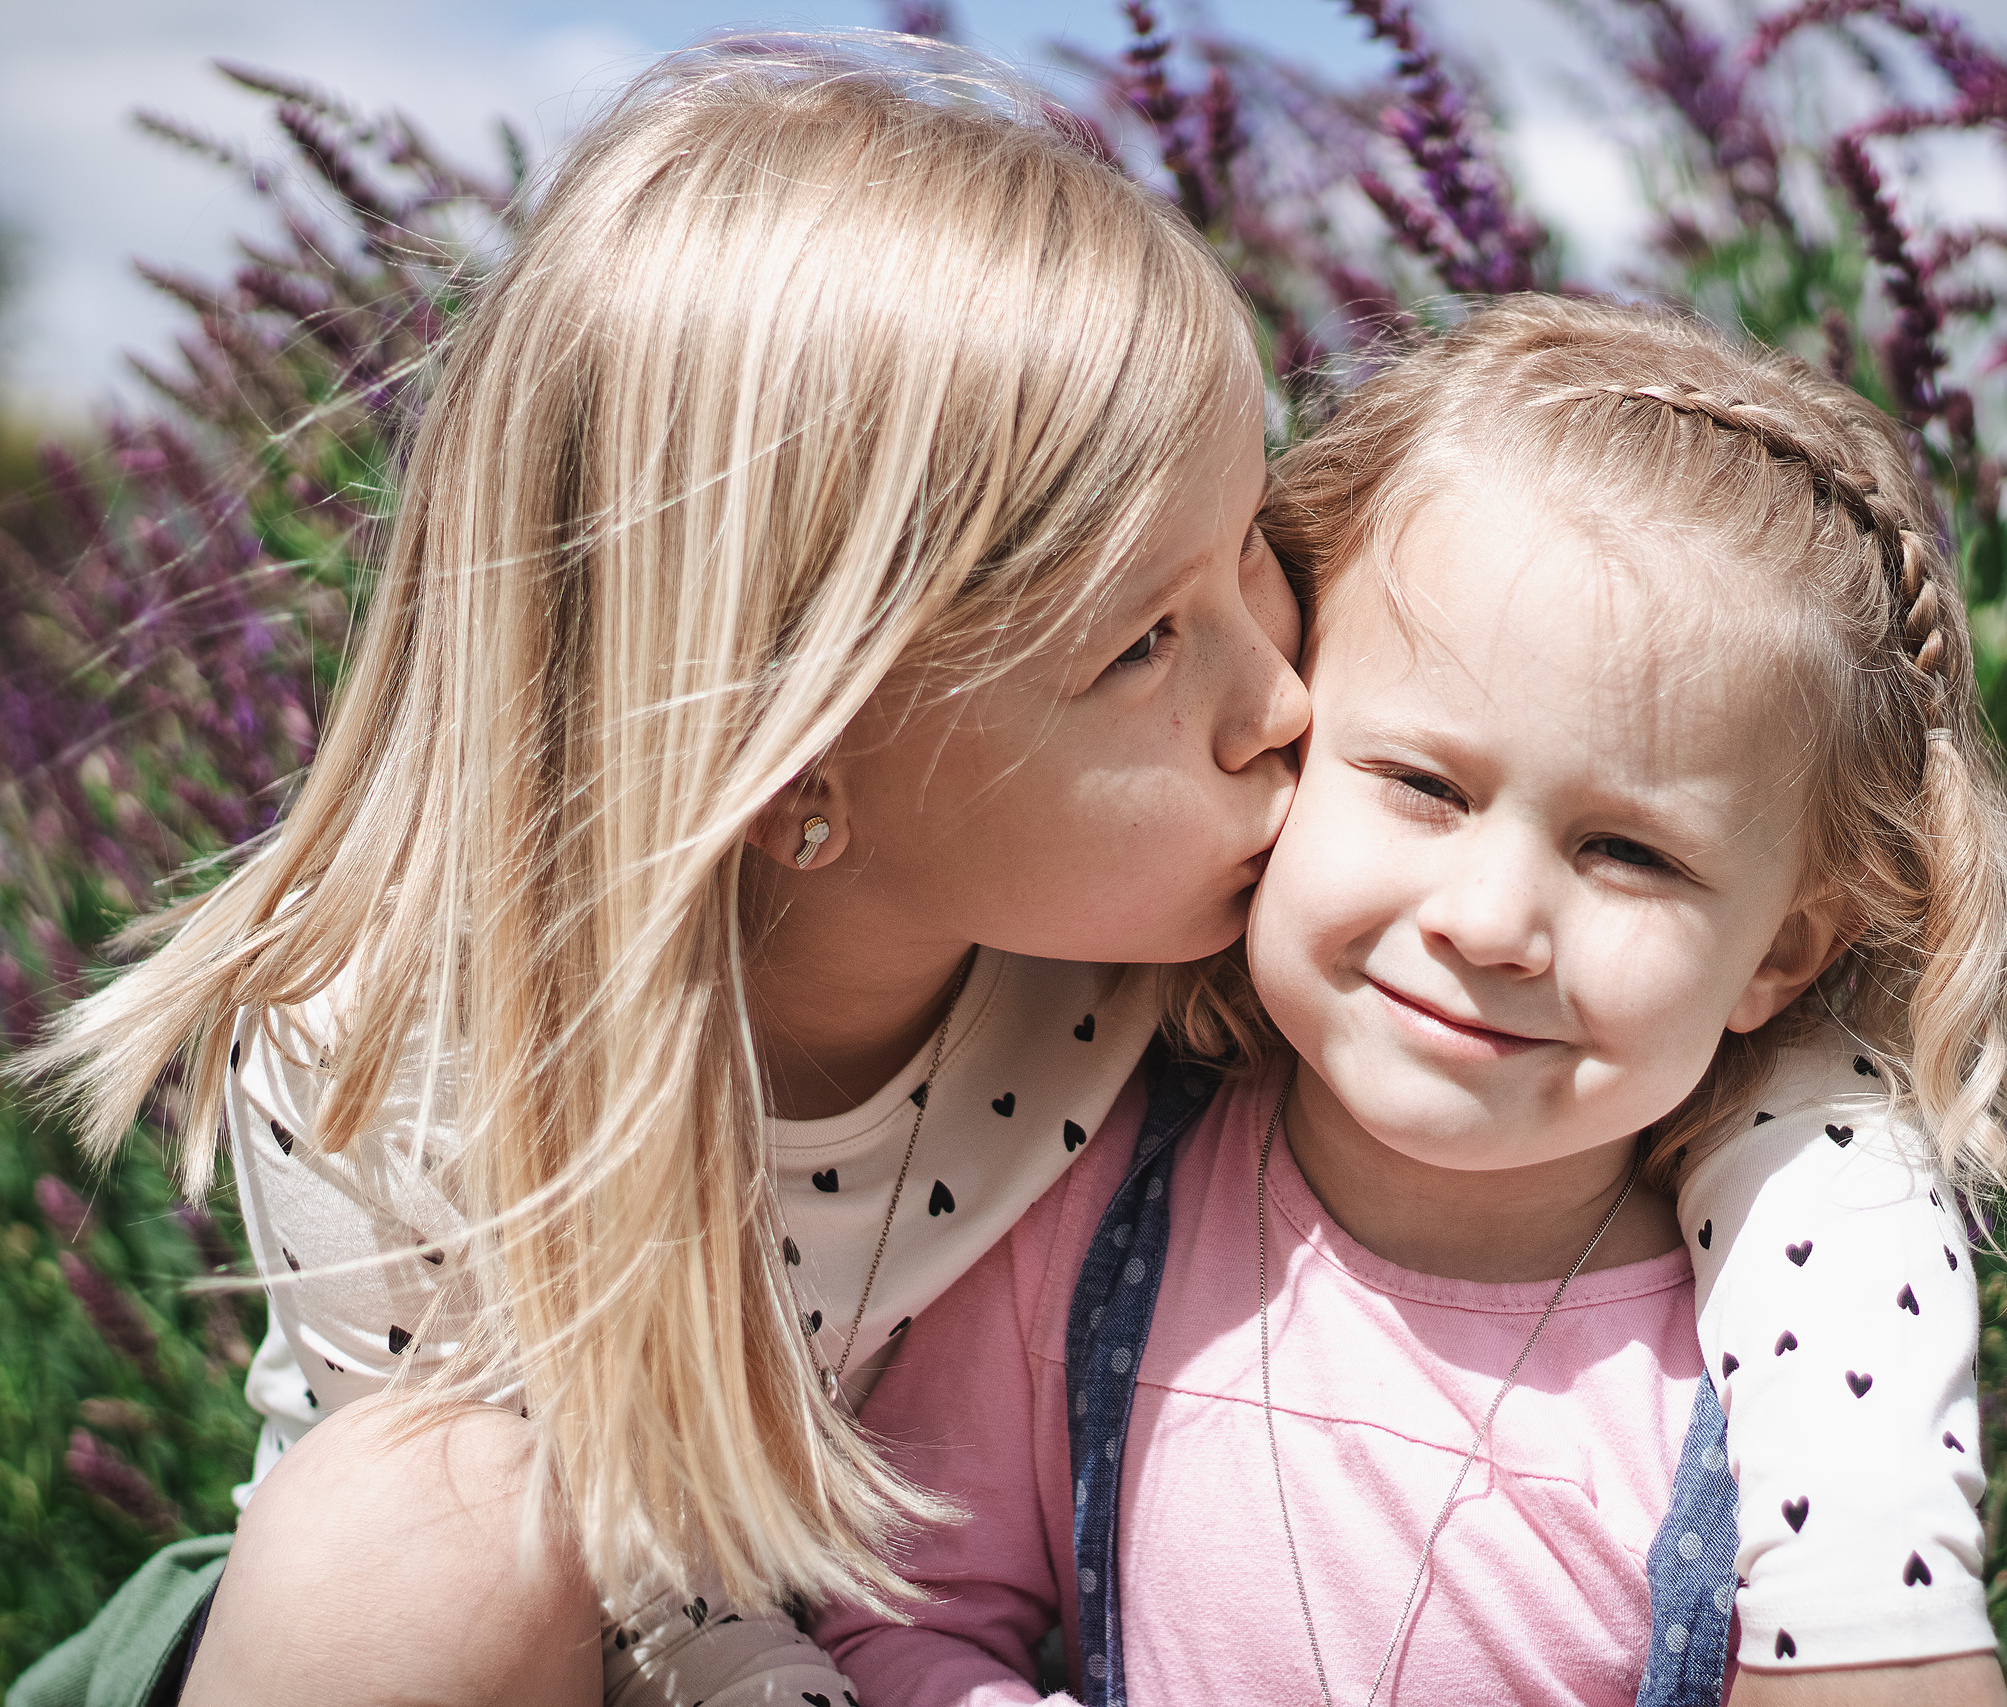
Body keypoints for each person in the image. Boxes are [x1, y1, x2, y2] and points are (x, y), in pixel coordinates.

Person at [17, 38, 1309, 1707]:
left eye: (1258, 547)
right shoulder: (402, 1059)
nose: (1284, 697)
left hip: (929, 1643)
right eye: (1146, 642)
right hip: (495, 1657)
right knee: (436, 1521)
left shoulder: (1220, 892)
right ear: (796, 768)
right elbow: (632, 1600)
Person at [813, 296, 2007, 1705]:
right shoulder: (1082, 1210)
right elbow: (901, 1618)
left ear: (1782, 953)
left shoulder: (1773, 1377)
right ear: (1286, 728)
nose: (1490, 923)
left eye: (1628, 853)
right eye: (1424, 786)